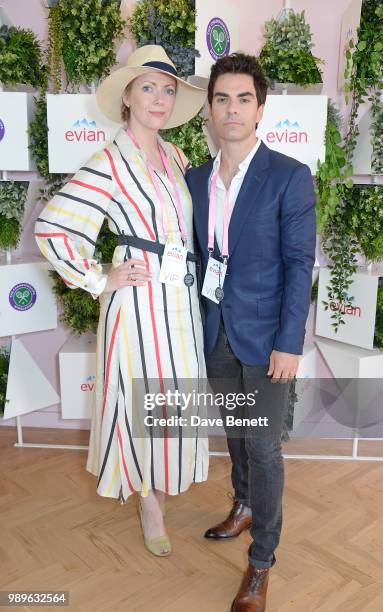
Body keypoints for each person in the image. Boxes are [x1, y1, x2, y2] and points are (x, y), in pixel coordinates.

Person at [35, 45, 209, 558]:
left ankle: (162, 479)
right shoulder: (108, 162)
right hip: (135, 305)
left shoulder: (176, 157)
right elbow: (53, 226)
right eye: (148, 87)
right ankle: (147, 497)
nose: (159, 98)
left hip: (179, 300)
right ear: (128, 96)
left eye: (168, 89)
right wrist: (98, 277)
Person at [186, 53, 316, 611]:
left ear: (260, 108)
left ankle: (261, 563)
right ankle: (242, 506)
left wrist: (290, 342)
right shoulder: (193, 179)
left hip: (268, 341)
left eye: (243, 98)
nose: (231, 109)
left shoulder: (289, 175)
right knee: (237, 435)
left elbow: (298, 264)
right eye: (222, 99)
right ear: (210, 110)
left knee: (263, 449)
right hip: (215, 329)